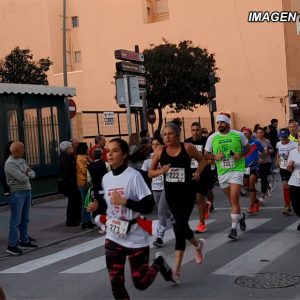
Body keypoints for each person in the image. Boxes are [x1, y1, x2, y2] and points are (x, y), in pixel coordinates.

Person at [88, 138, 175, 299]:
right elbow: (105, 203)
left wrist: (125, 201)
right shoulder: (106, 178)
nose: (110, 154)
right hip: (113, 236)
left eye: (115, 150)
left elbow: (148, 206)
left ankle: (158, 264)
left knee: (140, 283)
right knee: (116, 283)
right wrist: (96, 205)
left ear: (124, 154)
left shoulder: (134, 176)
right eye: (109, 150)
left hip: (135, 235)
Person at [149, 122, 206, 283]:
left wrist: (197, 173)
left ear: (177, 135)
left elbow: (202, 161)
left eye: (170, 134)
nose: (166, 137)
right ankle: (197, 244)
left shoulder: (187, 148)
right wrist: (162, 171)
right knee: (180, 226)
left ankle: (177, 271)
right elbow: (150, 172)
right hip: (171, 194)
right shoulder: (160, 151)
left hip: (187, 192)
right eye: (164, 134)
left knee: (179, 226)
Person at [205, 112, 249, 240]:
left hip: (237, 169)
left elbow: (248, 148)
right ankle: (241, 216)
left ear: (228, 123)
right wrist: (214, 157)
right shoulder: (212, 137)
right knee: (232, 200)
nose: (220, 125)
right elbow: (206, 154)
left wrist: (240, 154)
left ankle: (233, 229)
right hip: (222, 172)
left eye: (222, 122)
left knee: (234, 197)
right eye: (218, 122)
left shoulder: (238, 135)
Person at [4, 141, 38, 255]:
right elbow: (21, 177)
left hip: (27, 190)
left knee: (25, 218)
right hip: (17, 192)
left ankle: (24, 240)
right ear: (18, 150)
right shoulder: (9, 163)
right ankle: (12, 245)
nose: (24, 150)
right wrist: (26, 173)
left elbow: (32, 174)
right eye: (23, 148)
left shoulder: (22, 161)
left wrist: (26, 173)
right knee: (16, 220)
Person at [142, 136, 172, 247]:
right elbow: (146, 174)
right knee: (165, 211)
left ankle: (159, 236)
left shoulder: (166, 156)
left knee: (160, 211)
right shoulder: (148, 160)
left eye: (157, 144)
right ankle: (174, 220)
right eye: (153, 144)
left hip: (166, 187)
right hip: (155, 188)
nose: (154, 146)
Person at [185, 122, 212, 233]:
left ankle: (202, 223)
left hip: (203, 173)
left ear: (201, 130)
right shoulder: (187, 142)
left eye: (197, 130)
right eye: (193, 130)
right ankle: (205, 205)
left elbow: (210, 157)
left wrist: (207, 162)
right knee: (192, 198)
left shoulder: (206, 142)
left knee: (199, 196)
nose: (195, 132)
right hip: (190, 172)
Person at [58, 141, 82, 227]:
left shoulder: (70, 157)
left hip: (72, 183)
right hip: (70, 184)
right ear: (66, 149)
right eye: (70, 148)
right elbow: (67, 172)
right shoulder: (65, 159)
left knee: (75, 201)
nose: (72, 149)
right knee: (72, 202)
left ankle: (76, 218)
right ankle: (71, 220)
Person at [241, 128, 264, 215]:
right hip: (244, 167)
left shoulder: (256, 142)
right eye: (243, 134)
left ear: (250, 134)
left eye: (247, 133)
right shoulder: (240, 144)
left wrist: (260, 157)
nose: (245, 135)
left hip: (254, 166)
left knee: (251, 186)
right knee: (247, 188)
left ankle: (251, 205)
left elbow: (262, 151)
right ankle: (256, 201)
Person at [275, 128, 297, 215]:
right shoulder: (278, 144)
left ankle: (293, 203)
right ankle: (287, 206)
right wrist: (277, 160)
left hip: (292, 168)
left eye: (285, 137)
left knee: (293, 187)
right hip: (283, 168)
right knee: (285, 185)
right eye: (282, 137)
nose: (283, 138)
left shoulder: (293, 145)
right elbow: (278, 153)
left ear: (288, 136)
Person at [87, 148, 108, 224]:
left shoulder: (89, 166)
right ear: (101, 155)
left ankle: (98, 220)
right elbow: (109, 174)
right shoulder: (105, 164)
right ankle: (105, 220)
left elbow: (89, 179)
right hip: (104, 187)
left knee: (97, 203)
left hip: (95, 188)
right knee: (105, 204)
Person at [76, 142, 94, 230]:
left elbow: (92, 164)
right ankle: (85, 222)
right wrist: (89, 167)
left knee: (88, 202)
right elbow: (83, 170)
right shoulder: (79, 158)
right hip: (83, 183)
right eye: (87, 148)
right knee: (85, 203)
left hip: (87, 182)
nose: (88, 150)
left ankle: (88, 221)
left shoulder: (85, 157)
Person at [256, 127, 274, 203]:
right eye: (258, 133)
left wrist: (269, 151)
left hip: (267, 161)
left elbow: (272, 150)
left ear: (264, 133)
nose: (260, 134)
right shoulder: (255, 141)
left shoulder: (267, 141)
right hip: (258, 162)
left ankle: (262, 196)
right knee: (260, 177)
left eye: (261, 132)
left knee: (263, 178)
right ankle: (268, 186)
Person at [287, 129, 300, 231]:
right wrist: (290, 166)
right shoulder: (293, 152)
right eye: (299, 136)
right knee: (295, 205)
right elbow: (289, 169)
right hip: (295, 181)